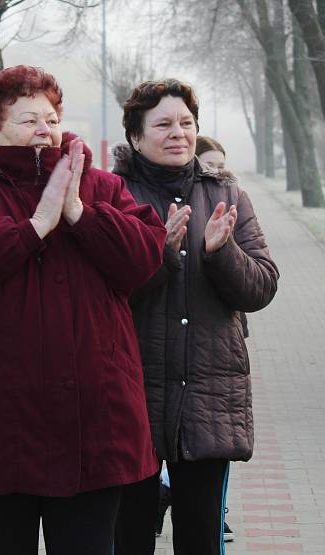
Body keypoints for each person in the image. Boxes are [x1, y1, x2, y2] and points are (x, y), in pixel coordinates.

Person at [0, 65, 167, 554]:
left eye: (50, 118)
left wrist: (78, 214)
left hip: (94, 427)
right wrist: (34, 226)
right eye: (28, 119)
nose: (44, 130)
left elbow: (144, 260)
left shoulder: (101, 188)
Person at [112, 79, 279, 555]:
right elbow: (104, 293)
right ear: (136, 136)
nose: (177, 133)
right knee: (129, 536)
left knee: (202, 538)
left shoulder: (226, 194)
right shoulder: (113, 195)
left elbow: (262, 287)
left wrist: (222, 251)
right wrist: (158, 254)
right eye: (162, 124)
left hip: (208, 397)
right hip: (131, 396)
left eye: (186, 123)